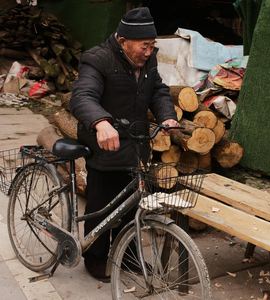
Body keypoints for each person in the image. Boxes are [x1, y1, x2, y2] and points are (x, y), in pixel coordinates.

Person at [70, 7, 178, 282]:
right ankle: (94, 258)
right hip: (105, 141)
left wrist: (167, 116)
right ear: (123, 41)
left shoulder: (148, 60)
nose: (149, 51)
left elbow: (158, 90)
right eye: (145, 45)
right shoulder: (97, 59)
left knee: (132, 204)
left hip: (136, 141)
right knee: (102, 201)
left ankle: (128, 257)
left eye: (152, 46)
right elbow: (83, 96)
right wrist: (101, 122)